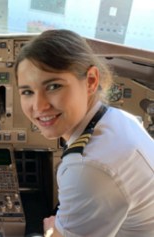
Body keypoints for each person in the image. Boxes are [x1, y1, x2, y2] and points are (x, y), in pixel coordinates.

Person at [14, 29, 154, 237]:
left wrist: (51, 230)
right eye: (27, 92)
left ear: (90, 81)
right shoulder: (117, 118)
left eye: (53, 86)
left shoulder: (89, 167)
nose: (39, 106)